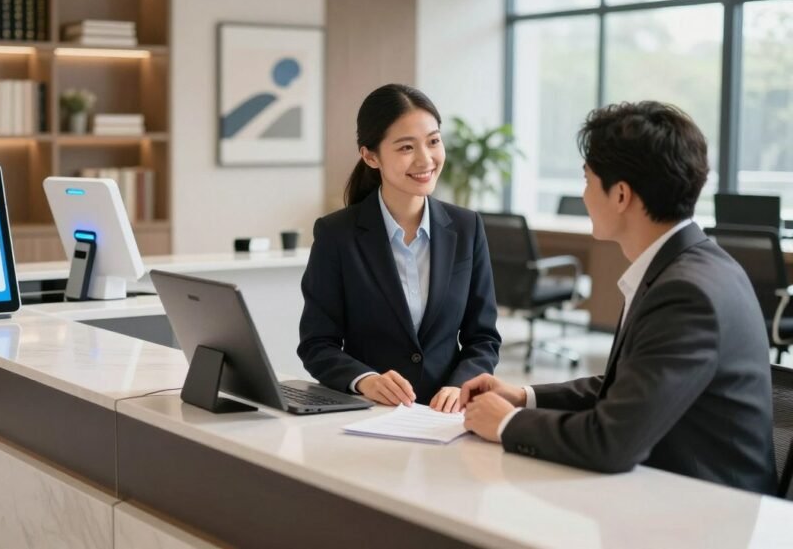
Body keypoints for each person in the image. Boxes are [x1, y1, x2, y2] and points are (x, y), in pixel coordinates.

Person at [456, 101, 777, 495]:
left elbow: (611, 443)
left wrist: (506, 423)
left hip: (706, 510)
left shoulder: (685, 292)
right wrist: (524, 396)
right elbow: (628, 387)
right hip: (670, 490)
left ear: (621, 194)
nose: (584, 194)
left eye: (588, 180)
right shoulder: (684, 263)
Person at [297, 84, 501, 411]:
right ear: (370, 156)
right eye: (406, 147)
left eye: (433, 141)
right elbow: (317, 344)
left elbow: (484, 339)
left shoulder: (467, 228)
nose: (425, 159)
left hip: (443, 417)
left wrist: (459, 384)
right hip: (367, 416)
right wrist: (365, 379)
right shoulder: (336, 234)